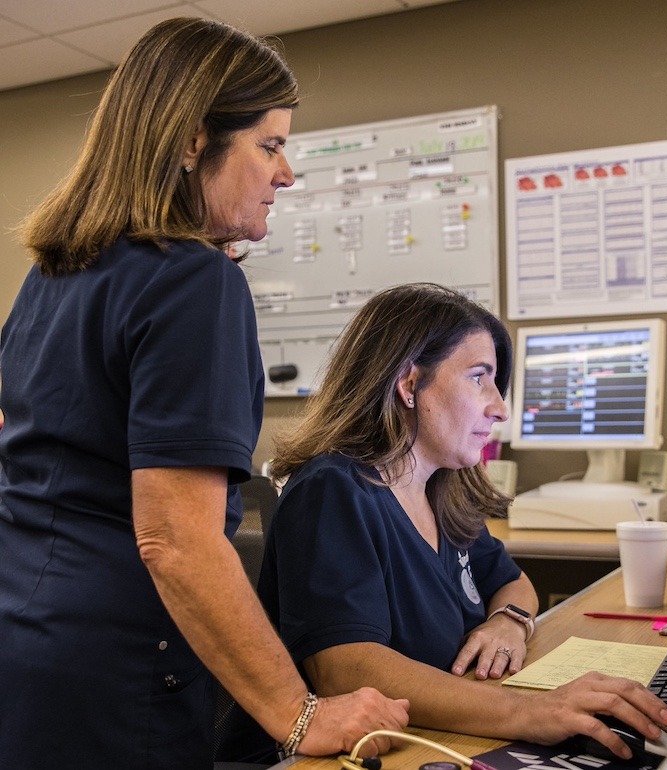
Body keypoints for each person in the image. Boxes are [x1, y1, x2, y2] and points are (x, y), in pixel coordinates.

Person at [0, 17, 408, 769]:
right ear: (193, 142)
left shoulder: (52, 276)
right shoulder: (193, 279)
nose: (286, 174)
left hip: (28, 646)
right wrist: (298, 715)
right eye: (271, 145)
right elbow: (176, 540)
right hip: (118, 670)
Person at [243, 283, 667, 762]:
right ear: (409, 385)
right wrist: (527, 712)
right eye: (478, 378)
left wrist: (508, 623)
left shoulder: (441, 490)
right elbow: (345, 668)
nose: (500, 407)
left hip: (442, 737)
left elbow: (514, 583)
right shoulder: (334, 490)